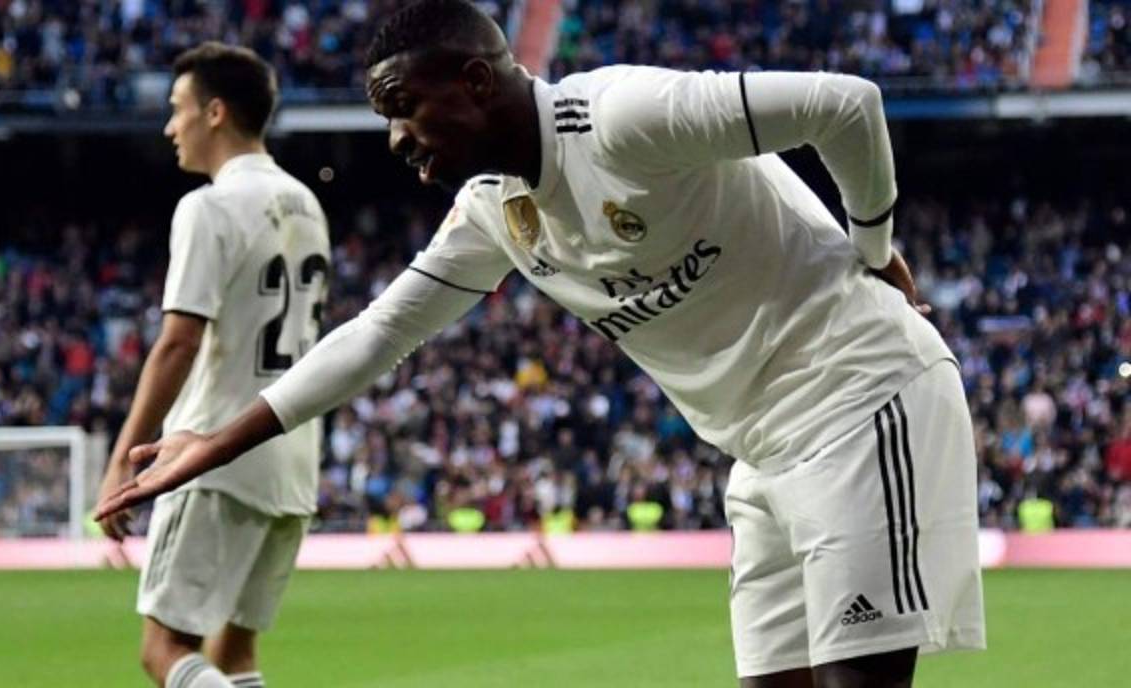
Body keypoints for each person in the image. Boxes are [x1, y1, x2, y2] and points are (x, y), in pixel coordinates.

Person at [97, 2, 985, 686]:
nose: (398, 140)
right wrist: (212, 443)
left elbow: (843, 104)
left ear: (477, 82)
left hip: (859, 394)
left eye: (405, 109)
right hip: (757, 453)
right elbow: (376, 336)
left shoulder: (622, 117)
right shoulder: (494, 209)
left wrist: (873, 251)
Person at [95, 42, 330, 688]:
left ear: (216, 113)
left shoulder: (207, 206)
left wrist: (124, 454)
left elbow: (179, 341)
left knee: (164, 648)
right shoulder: (308, 204)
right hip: (291, 459)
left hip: (213, 449)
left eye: (178, 110)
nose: (171, 126)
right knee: (235, 655)